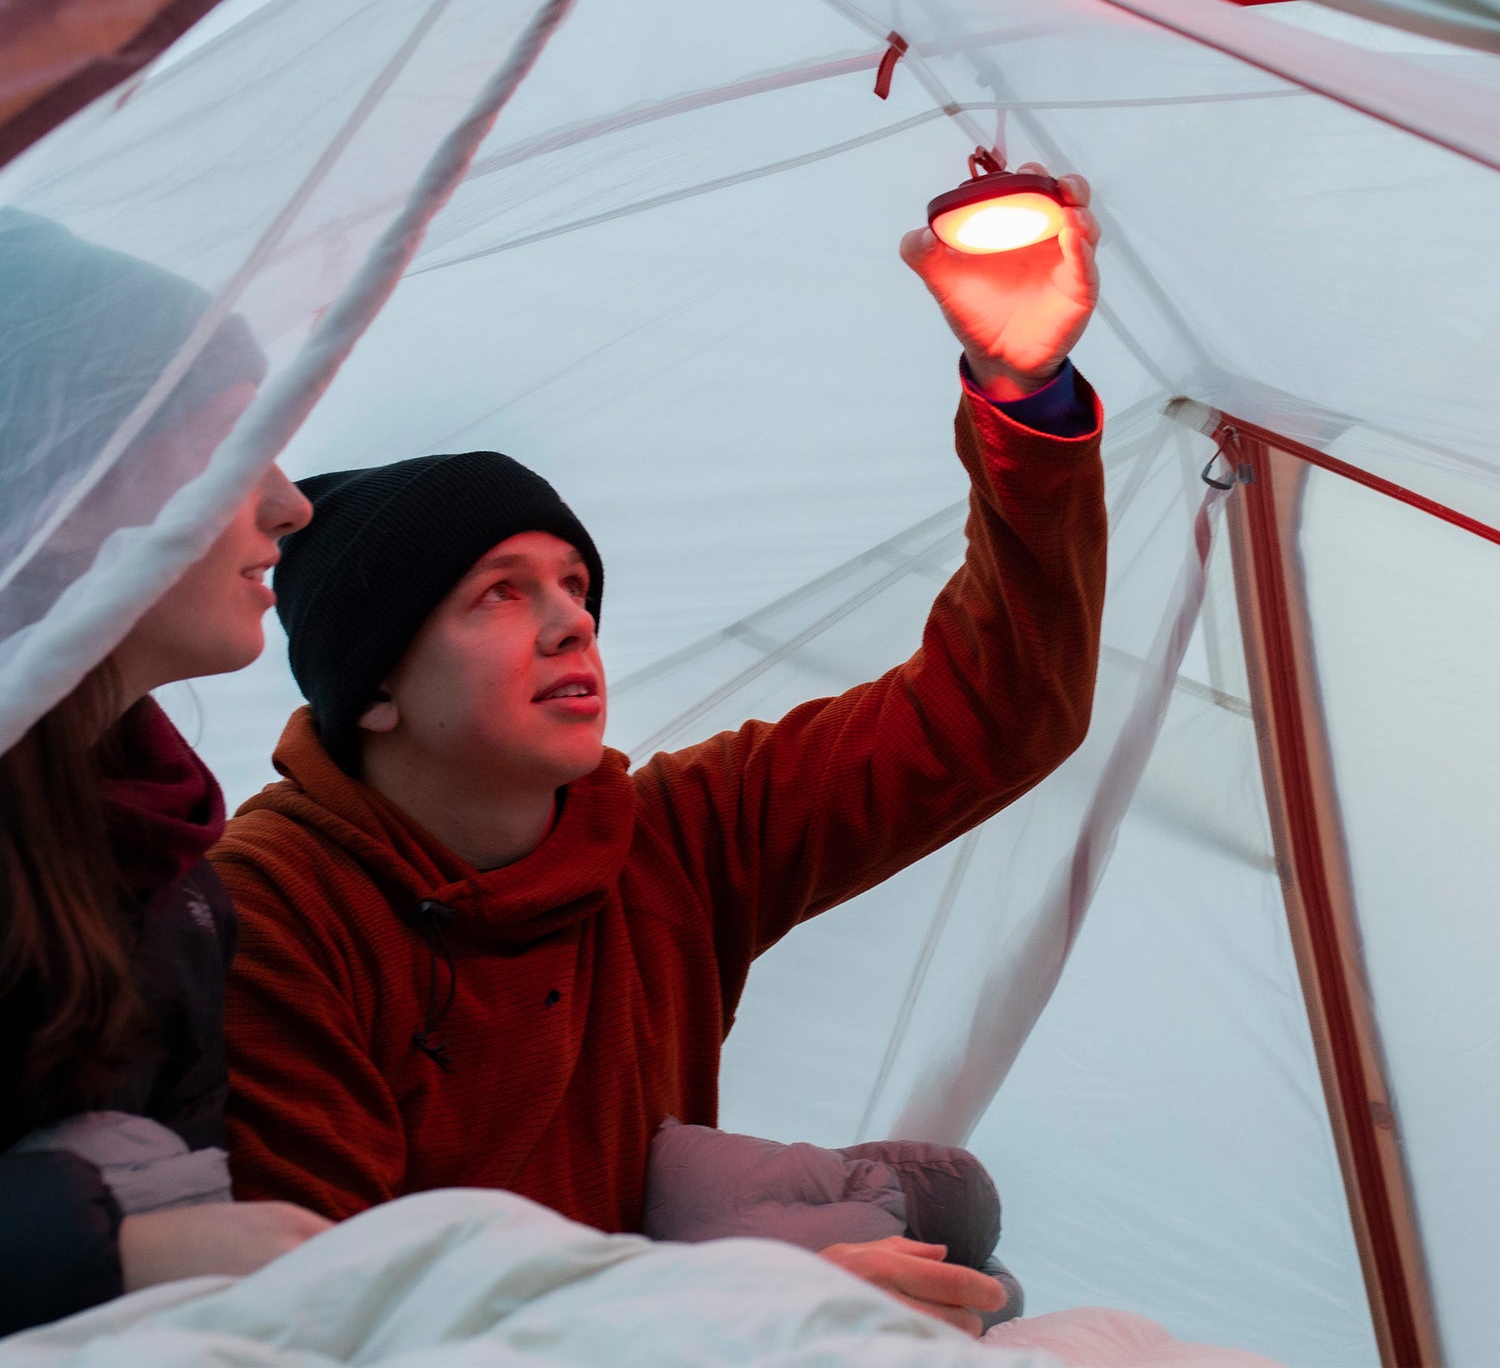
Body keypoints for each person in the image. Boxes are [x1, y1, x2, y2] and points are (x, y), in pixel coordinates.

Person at [212, 169, 1107, 1335]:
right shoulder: (274, 913)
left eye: (576, 585)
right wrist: (746, 1304)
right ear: (373, 686)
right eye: (498, 594)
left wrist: (1023, 394)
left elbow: (997, 711)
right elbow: (332, 1308)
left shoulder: (669, 843)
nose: (570, 619)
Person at [0, 212, 330, 1336]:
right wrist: (108, 1238)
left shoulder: (179, 881)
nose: (293, 504)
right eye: (240, 443)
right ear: (67, 476)